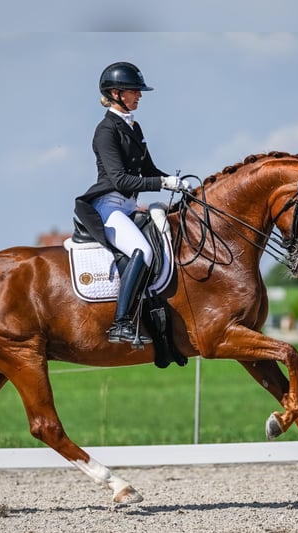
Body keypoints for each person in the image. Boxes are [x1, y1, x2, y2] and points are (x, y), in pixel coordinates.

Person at [75, 61, 190, 344]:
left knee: (163, 240)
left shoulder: (133, 127)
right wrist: (163, 184)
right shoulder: (105, 131)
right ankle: (121, 323)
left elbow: (148, 170)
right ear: (116, 93)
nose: (139, 95)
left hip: (127, 206)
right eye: (134, 91)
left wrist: (179, 184)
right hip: (108, 206)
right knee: (142, 250)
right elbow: (121, 180)